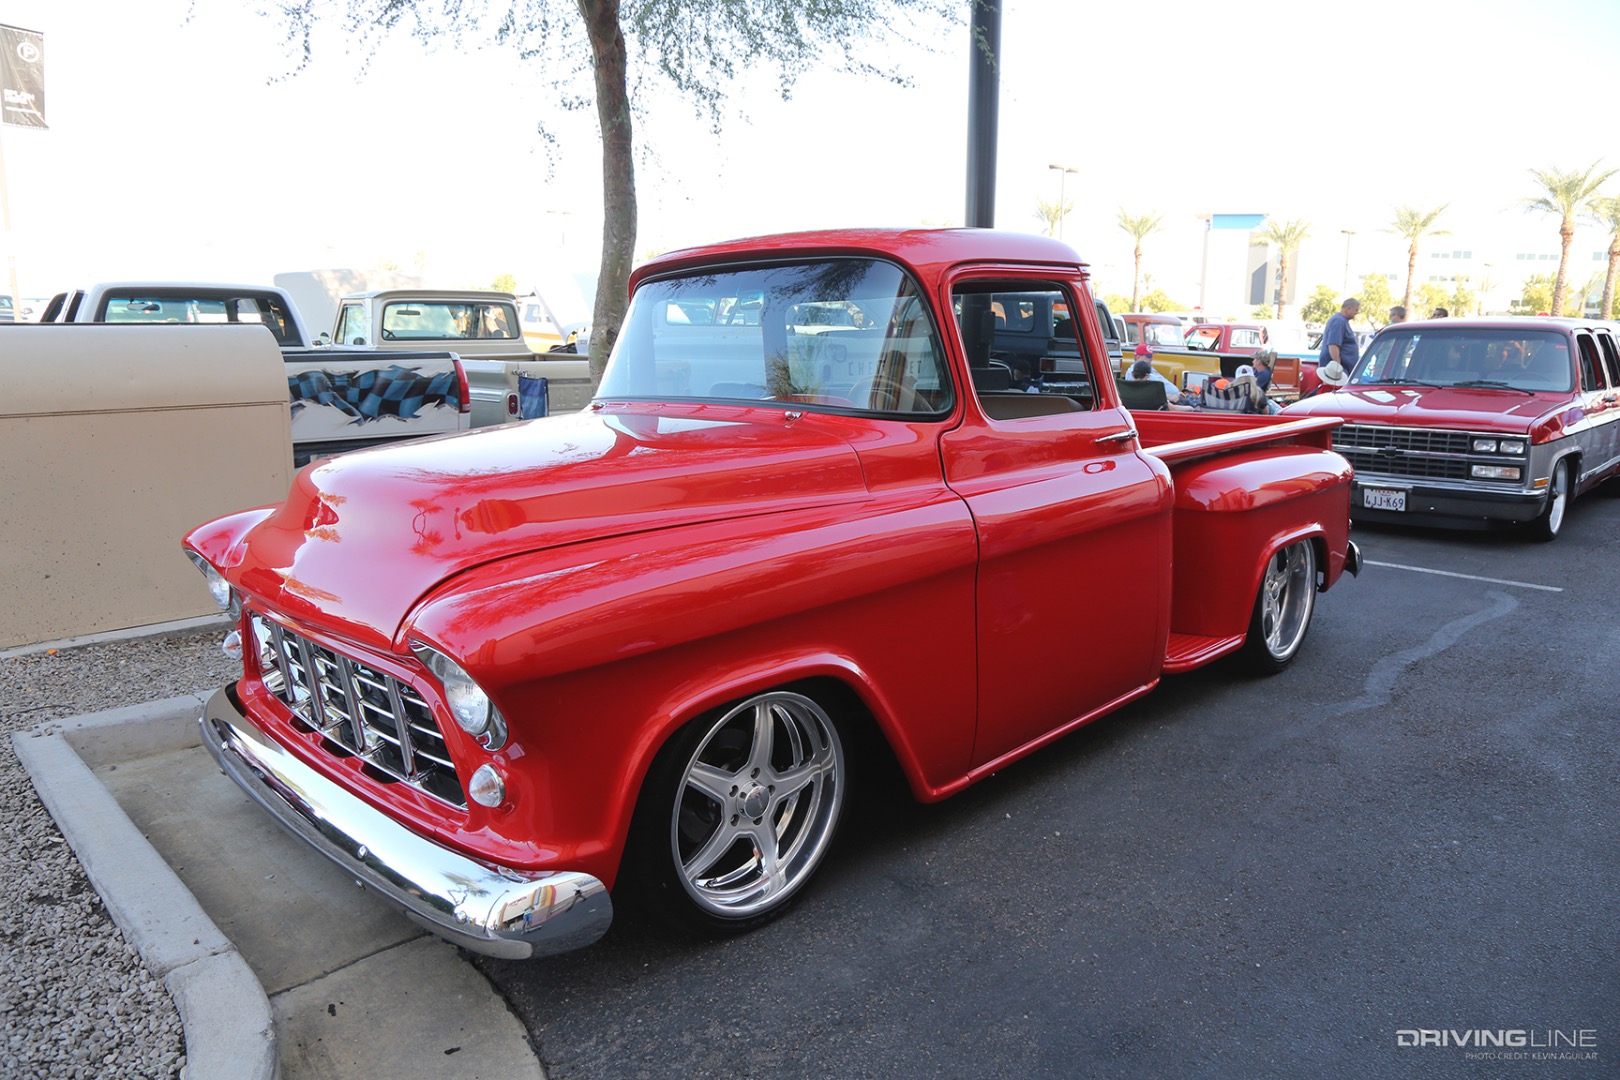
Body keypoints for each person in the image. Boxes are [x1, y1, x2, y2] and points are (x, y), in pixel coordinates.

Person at [1319, 297, 1361, 376]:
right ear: (1348, 308)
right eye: (1356, 310)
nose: (1357, 313)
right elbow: (1333, 345)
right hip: (1338, 372)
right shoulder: (1338, 321)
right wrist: (1337, 368)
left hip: (1343, 370)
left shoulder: (1342, 320)